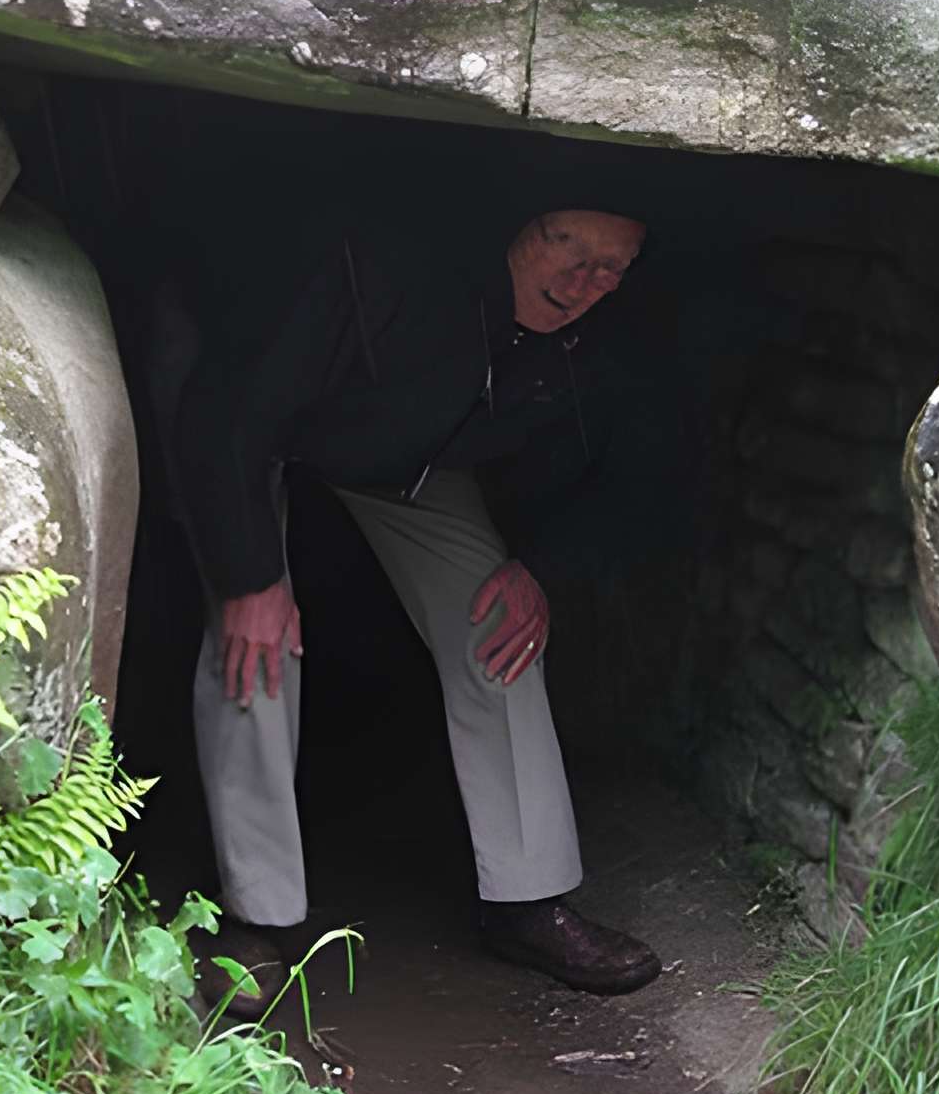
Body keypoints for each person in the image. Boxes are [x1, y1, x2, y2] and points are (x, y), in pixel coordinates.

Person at [175, 206, 662, 999]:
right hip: (260, 427)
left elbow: (640, 466)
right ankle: (256, 916)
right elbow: (226, 412)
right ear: (517, 227)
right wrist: (250, 577)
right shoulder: (378, 266)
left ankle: (528, 900)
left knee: (497, 619)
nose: (582, 282)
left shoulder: (610, 334)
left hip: (410, 459)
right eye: (565, 246)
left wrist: (540, 567)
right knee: (255, 638)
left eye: (610, 268)